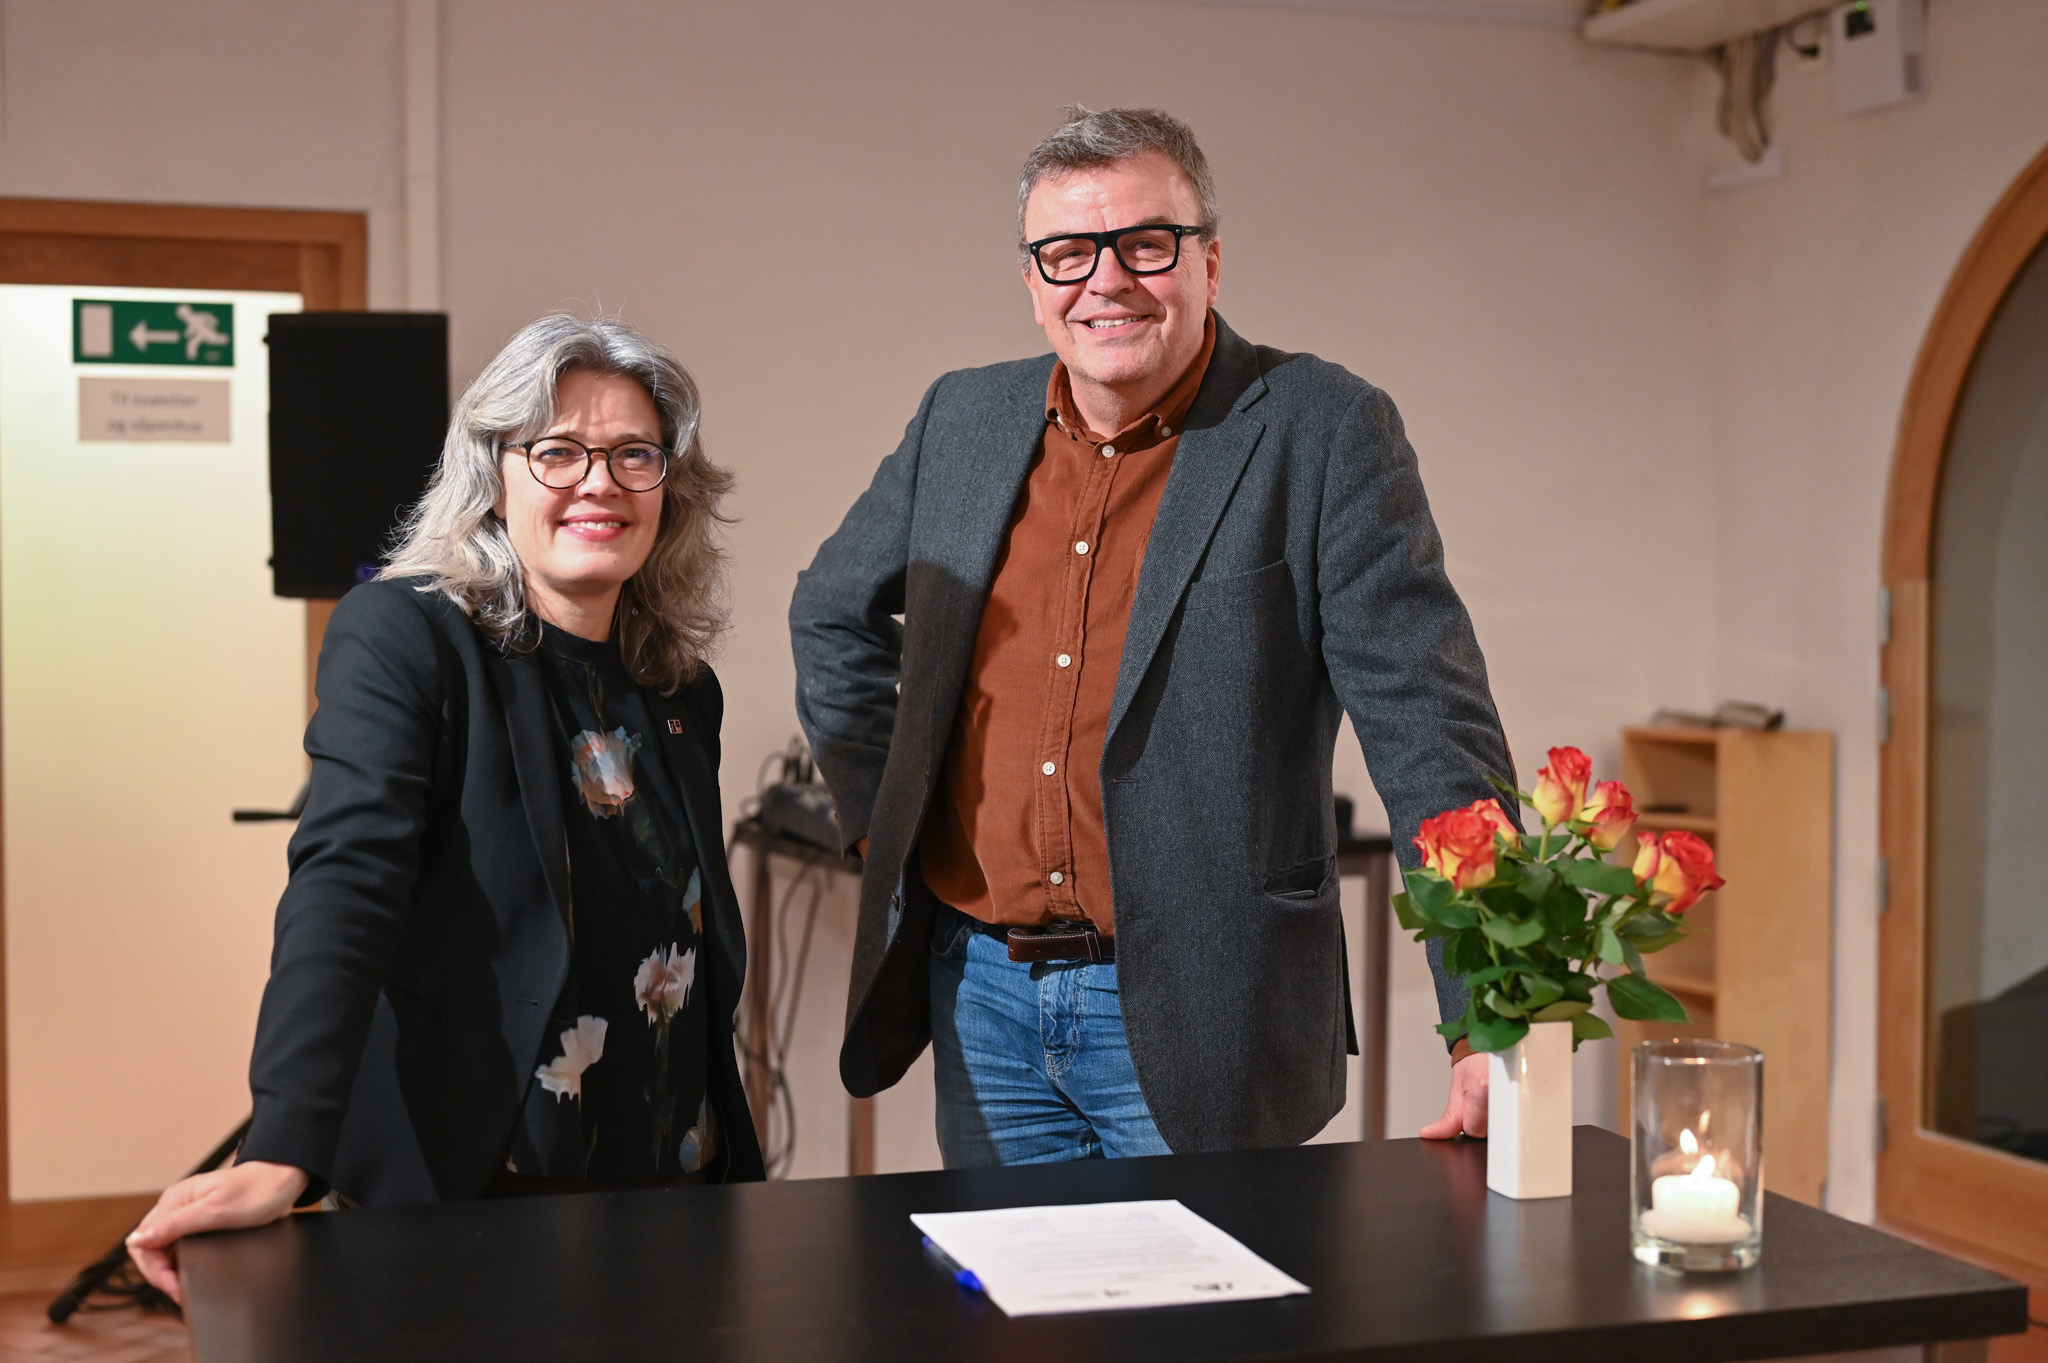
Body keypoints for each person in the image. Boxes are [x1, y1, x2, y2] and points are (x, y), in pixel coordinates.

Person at [789, 106, 1511, 1168]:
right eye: (1068, 252)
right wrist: (881, 830)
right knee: (1015, 1326)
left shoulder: (1319, 429)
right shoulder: (962, 418)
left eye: (1146, 243)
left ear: (1209, 262)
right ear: (1033, 285)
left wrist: (1487, 1013)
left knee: (1212, 1331)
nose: (1107, 280)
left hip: (1208, 1000)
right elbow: (831, 611)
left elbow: (1427, 731)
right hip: (981, 995)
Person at [128, 314, 762, 1301]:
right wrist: (283, 1144)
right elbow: (346, 885)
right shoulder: (408, 636)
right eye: (557, 451)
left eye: (634, 454)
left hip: (673, 1180)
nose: (598, 482)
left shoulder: (677, 683)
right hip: (480, 1188)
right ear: (492, 475)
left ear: (668, 487)